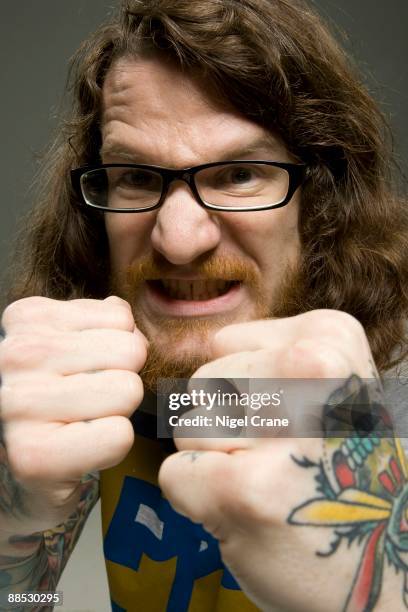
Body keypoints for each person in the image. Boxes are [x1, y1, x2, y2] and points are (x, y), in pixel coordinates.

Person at [0, 0, 408, 610]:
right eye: (136, 176)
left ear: (320, 203)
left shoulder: (389, 407)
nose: (178, 238)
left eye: (240, 174)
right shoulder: (98, 394)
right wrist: (10, 527)